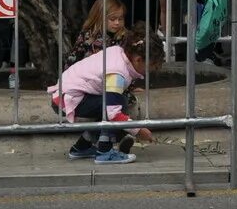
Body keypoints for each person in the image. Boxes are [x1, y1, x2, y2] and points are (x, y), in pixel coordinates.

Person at [50, 25, 157, 164]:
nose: (150, 70)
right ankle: (104, 152)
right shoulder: (117, 72)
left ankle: (81, 147)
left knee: (112, 103)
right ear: (138, 60)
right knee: (117, 104)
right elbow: (114, 114)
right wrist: (138, 130)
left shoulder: (118, 52)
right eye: (151, 66)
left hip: (65, 95)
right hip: (69, 99)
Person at [65, 0, 128, 67]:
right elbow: (72, 60)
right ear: (100, 18)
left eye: (120, 19)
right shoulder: (88, 35)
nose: (117, 23)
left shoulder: (124, 36)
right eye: (112, 19)